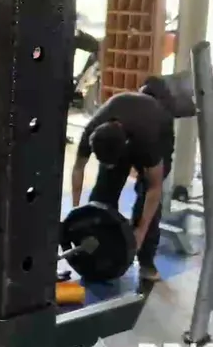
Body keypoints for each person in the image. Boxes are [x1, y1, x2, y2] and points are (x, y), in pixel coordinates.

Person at [70, 77, 176, 282]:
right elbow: (78, 168)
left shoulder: (149, 141)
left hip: (158, 129)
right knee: (103, 193)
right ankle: (99, 252)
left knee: (145, 198)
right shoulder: (93, 130)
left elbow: (154, 189)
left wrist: (140, 232)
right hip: (125, 127)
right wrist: (76, 211)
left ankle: (146, 262)